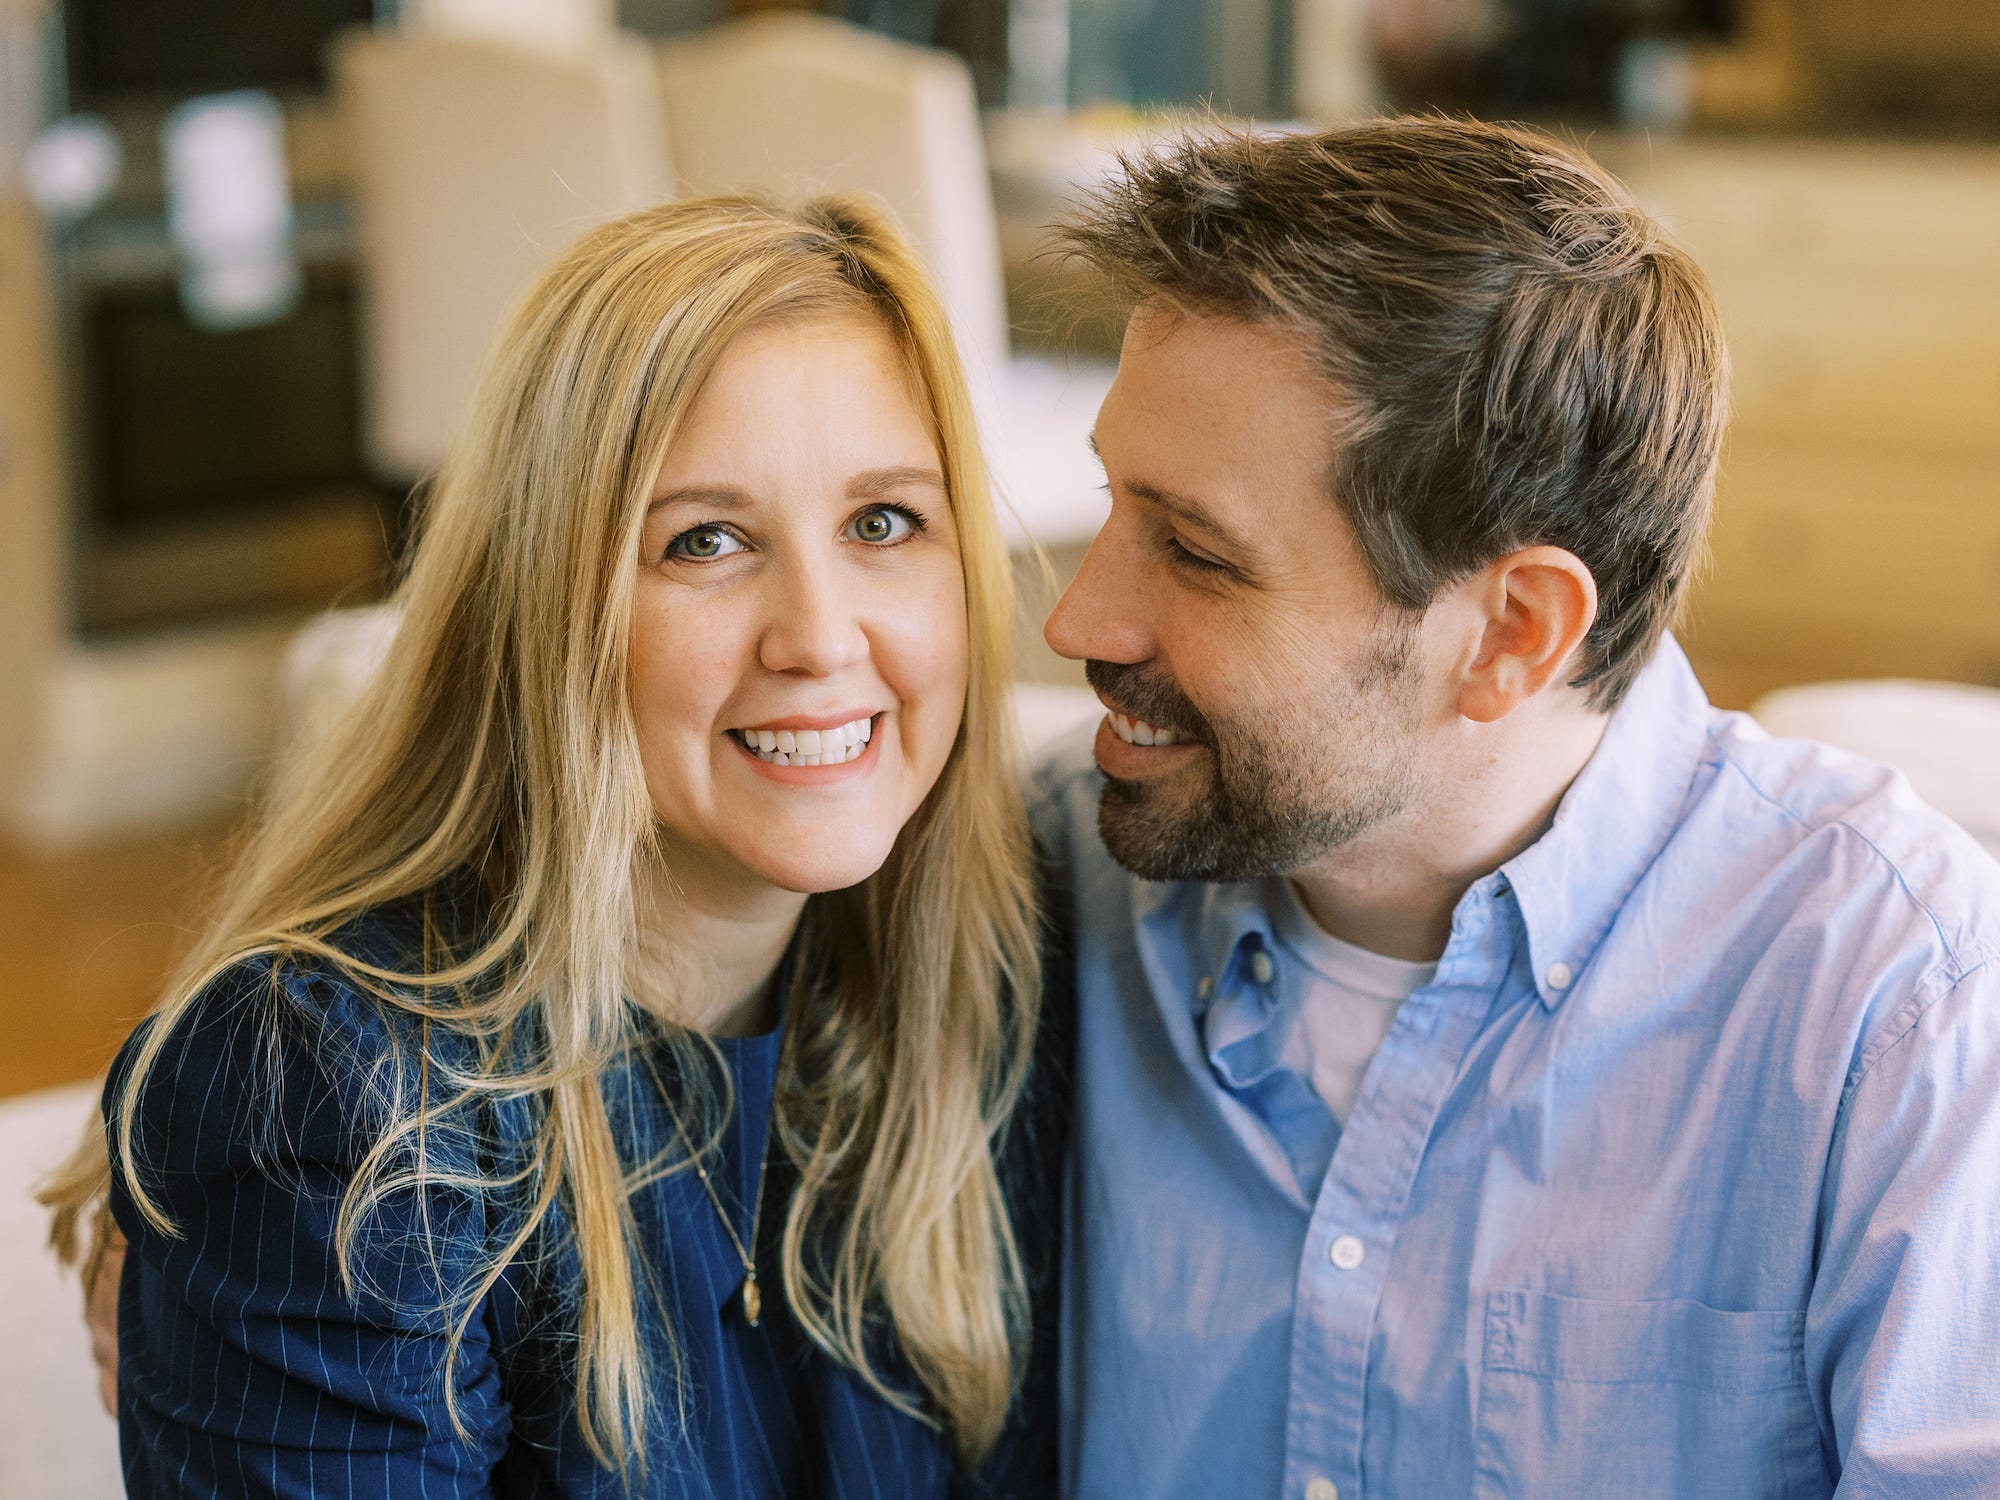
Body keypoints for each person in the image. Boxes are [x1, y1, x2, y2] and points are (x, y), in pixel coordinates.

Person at [1032, 117, 2000, 1497]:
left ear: (1512, 633)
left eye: (1196, 552)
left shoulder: (1889, 1000)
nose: (1081, 617)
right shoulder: (1045, 865)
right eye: (1115, 505)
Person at [43, 193, 1062, 1497]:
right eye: (706, 540)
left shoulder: (982, 987)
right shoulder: (335, 1111)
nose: (820, 634)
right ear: (548, 603)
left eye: (882, 523)